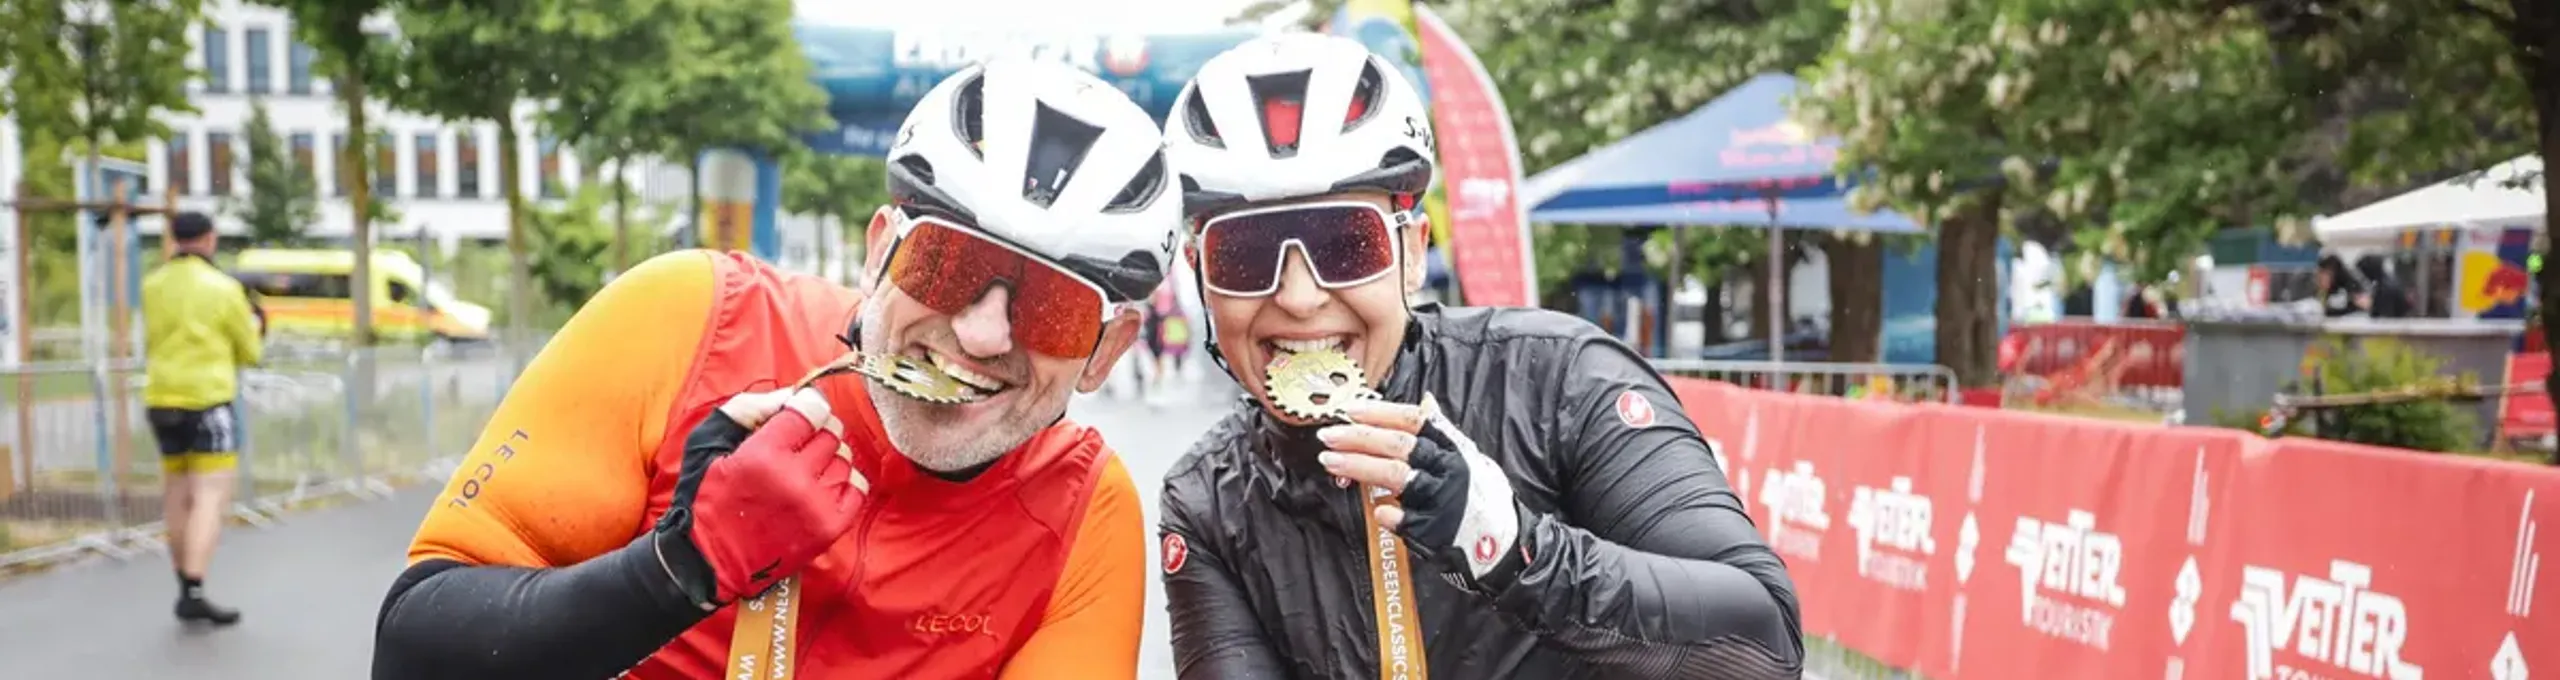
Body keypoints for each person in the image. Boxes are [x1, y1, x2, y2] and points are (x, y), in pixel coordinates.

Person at [369, 59, 1177, 679]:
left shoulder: (1086, 513)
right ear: (878, 253)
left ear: (1107, 350)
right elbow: (413, 646)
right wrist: (678, 567)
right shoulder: (687, 316)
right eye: (948, 265)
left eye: (1052, 307)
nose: (982, 332)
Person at [1154, 34, 1805, 679]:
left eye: (1344, 243)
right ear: (1200, 277)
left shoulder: (1557, 381)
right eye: (1243, 255)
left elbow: (1765, 645)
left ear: (1412, 254)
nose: (1299, 298)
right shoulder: (1207, 498)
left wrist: (1507, 546)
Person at [141, 211, 265, 627]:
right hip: (207, 400)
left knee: (176, 490)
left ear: (174, 238)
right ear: (210, 239)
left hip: (161, 396)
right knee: (210, 494)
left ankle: (182, 584)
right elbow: (250, 351)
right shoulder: (224, 288)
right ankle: (195, 588)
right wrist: (258, 327)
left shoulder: (153, 285)